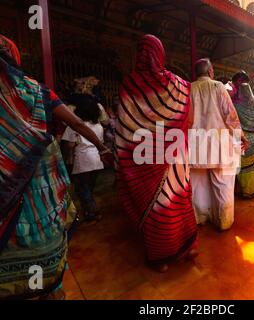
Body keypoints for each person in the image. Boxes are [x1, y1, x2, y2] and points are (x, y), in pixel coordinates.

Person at [0, 35, 112, 299]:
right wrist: (102, 147)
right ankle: (50, 287)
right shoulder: (37, 92)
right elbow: (78, 125)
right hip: (40, 188)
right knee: (47, 232)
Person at [115, 35, 198, 273]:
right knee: (178, 199)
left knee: (157, 207)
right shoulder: (180, 85)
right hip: (176, 156)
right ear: (161, 55)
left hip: (142, 160)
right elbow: (189, 121)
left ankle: (162, 258)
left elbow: (123, 127)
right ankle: (189, 246)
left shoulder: (130, 84)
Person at [189, 58, 247, 231]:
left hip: (195, 145)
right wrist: (240, 136)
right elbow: (230, 116)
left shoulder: (188, 89)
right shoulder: (218, 87)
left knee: (197, 184)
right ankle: (223, 221)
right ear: (210, 71)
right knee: (223, 184)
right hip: (219, 145)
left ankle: (199, 218)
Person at [62, 94, 105, 222]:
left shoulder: (74, 126)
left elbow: (69, 145)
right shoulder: (99, 127)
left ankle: (92, 212)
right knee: (88, 188)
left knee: (83, 189)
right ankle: (90, 211)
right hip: (97, 162)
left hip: (82, 162)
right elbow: (100, 143)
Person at [231, 71, 254, 198]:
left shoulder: (233, 104)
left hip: (240, 139)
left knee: (239, 166)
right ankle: (249, 191)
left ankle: (240, 191)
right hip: (253, 139)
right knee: (250, 167)